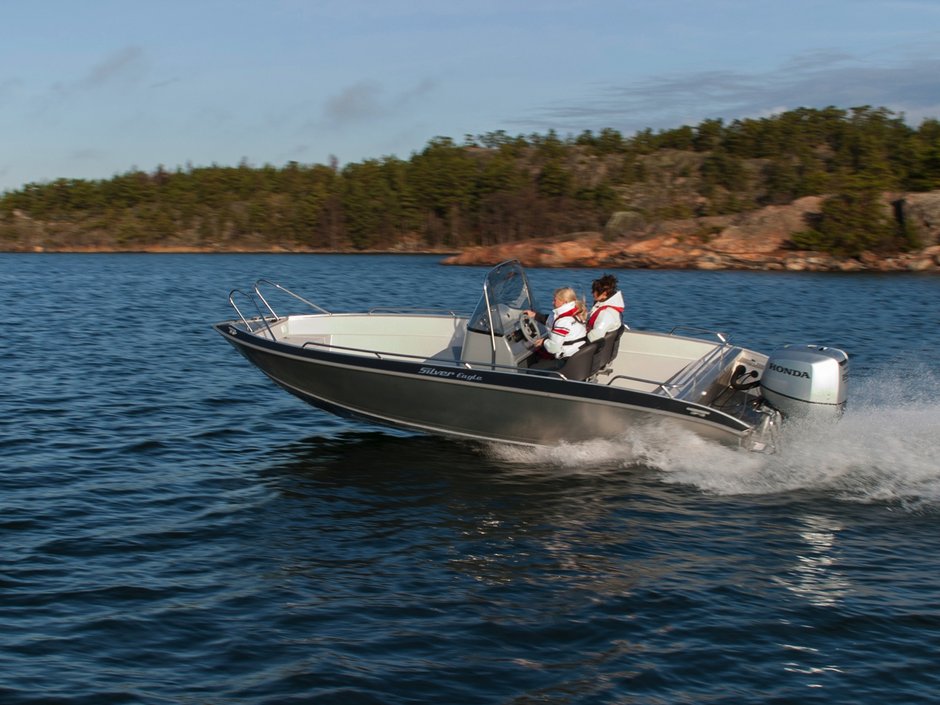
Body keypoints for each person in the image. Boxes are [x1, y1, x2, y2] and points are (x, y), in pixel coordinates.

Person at [524, 287, 587, 362]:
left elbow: (554, 348)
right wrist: (534, 315)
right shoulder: (576, 312)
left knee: (535, 366)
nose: (552, 302)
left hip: (567, 359)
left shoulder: (563, 321)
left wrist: (543, 342)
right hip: (579, 354)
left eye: (555, 300)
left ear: (564, 302)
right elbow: (552, 320)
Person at [586, 274, 626, 342]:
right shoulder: (612, 309)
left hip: (592, 345)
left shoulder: (606, 314)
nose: (592, 293)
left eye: (594, 291)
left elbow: (594, 337)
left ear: (604, 293)